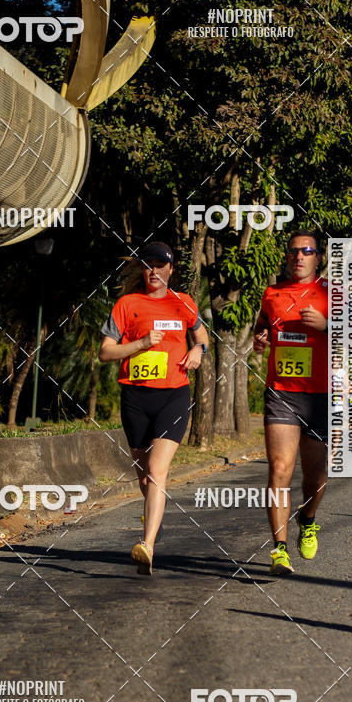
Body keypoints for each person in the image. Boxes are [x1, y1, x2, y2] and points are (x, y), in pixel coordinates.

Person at [98, 242, 209, 575]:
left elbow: (201, 334)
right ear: (143, 269)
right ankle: (152, 516)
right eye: (149, 265)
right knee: (145, 477)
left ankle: (147, 545)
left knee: (158, 471)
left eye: (162, 265)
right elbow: (106, 352)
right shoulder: (127, 304)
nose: (155, 270)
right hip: (135, 398)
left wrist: (198, 351)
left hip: (173, 395)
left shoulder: (183, 304)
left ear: (171, 270)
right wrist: (142, 343)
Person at [252, 230, 328, 575]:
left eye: (307, 251)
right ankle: (279, 549)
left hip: (321, 396)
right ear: (288, 257)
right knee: (280, 469)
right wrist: (261, 338)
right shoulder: (273, 293)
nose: (300, 256)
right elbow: (262, 325)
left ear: (318, 258)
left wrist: (327, 326)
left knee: (315, 475)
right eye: (295, 251)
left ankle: (307, 518)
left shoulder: (334, 293)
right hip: (282, 392)